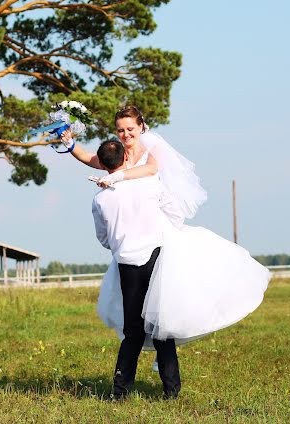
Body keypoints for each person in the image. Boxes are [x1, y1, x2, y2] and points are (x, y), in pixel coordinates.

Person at [62, 106, 271, 353]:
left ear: (141, 126)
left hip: (156, 228)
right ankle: (140, 341)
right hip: (131, 234)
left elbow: (150, 170)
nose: (126, 134)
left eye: (130, 129)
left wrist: (117, 178)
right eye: (120, 130)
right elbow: (90, 159)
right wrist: (70, 143)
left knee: (164, 296)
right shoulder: (118, 154)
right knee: (134, 303)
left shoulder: (152, 147)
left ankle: (164, 345)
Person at [92, 139, 181, 400]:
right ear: (126, 160)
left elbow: (103, 237)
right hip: (155, 256)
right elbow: (175, 213)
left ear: (104, 167)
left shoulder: (100, 199)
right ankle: (171, 390)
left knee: (132, 330)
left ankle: (120, 391)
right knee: (160, 325)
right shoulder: (150, 184)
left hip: (126, 263)